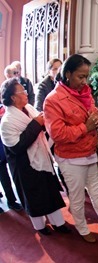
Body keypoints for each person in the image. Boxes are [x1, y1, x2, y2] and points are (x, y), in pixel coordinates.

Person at [43, 54, 98, 243]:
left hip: (89, 152)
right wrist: (86, 127)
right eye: (80, 76)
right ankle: (82, 228)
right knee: (78, 197)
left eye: (86, 76)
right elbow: (58, 134)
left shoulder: (85, 92)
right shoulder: (53, 100)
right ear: (67, 74)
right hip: (70, 157)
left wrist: (96, 118)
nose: (84, 81)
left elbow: (92, 110)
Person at [0, 78, 69, 235]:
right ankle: (40, 226)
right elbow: (17, 146)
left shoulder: (28, 107)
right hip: (24, 165)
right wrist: (37, 123)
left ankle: (59, 223)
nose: (26, 93)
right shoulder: (7, 121)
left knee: (50, 192)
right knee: (34, 197)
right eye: (22, 91)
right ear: (13, 97)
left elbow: (40, 124)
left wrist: (43, 122)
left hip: (41, 158)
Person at [0, 102, 23, 213]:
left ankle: (12, 201)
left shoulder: (3, 108)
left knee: (11, 175)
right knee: (3, 176)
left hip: (5, 147)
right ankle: (11, 200)